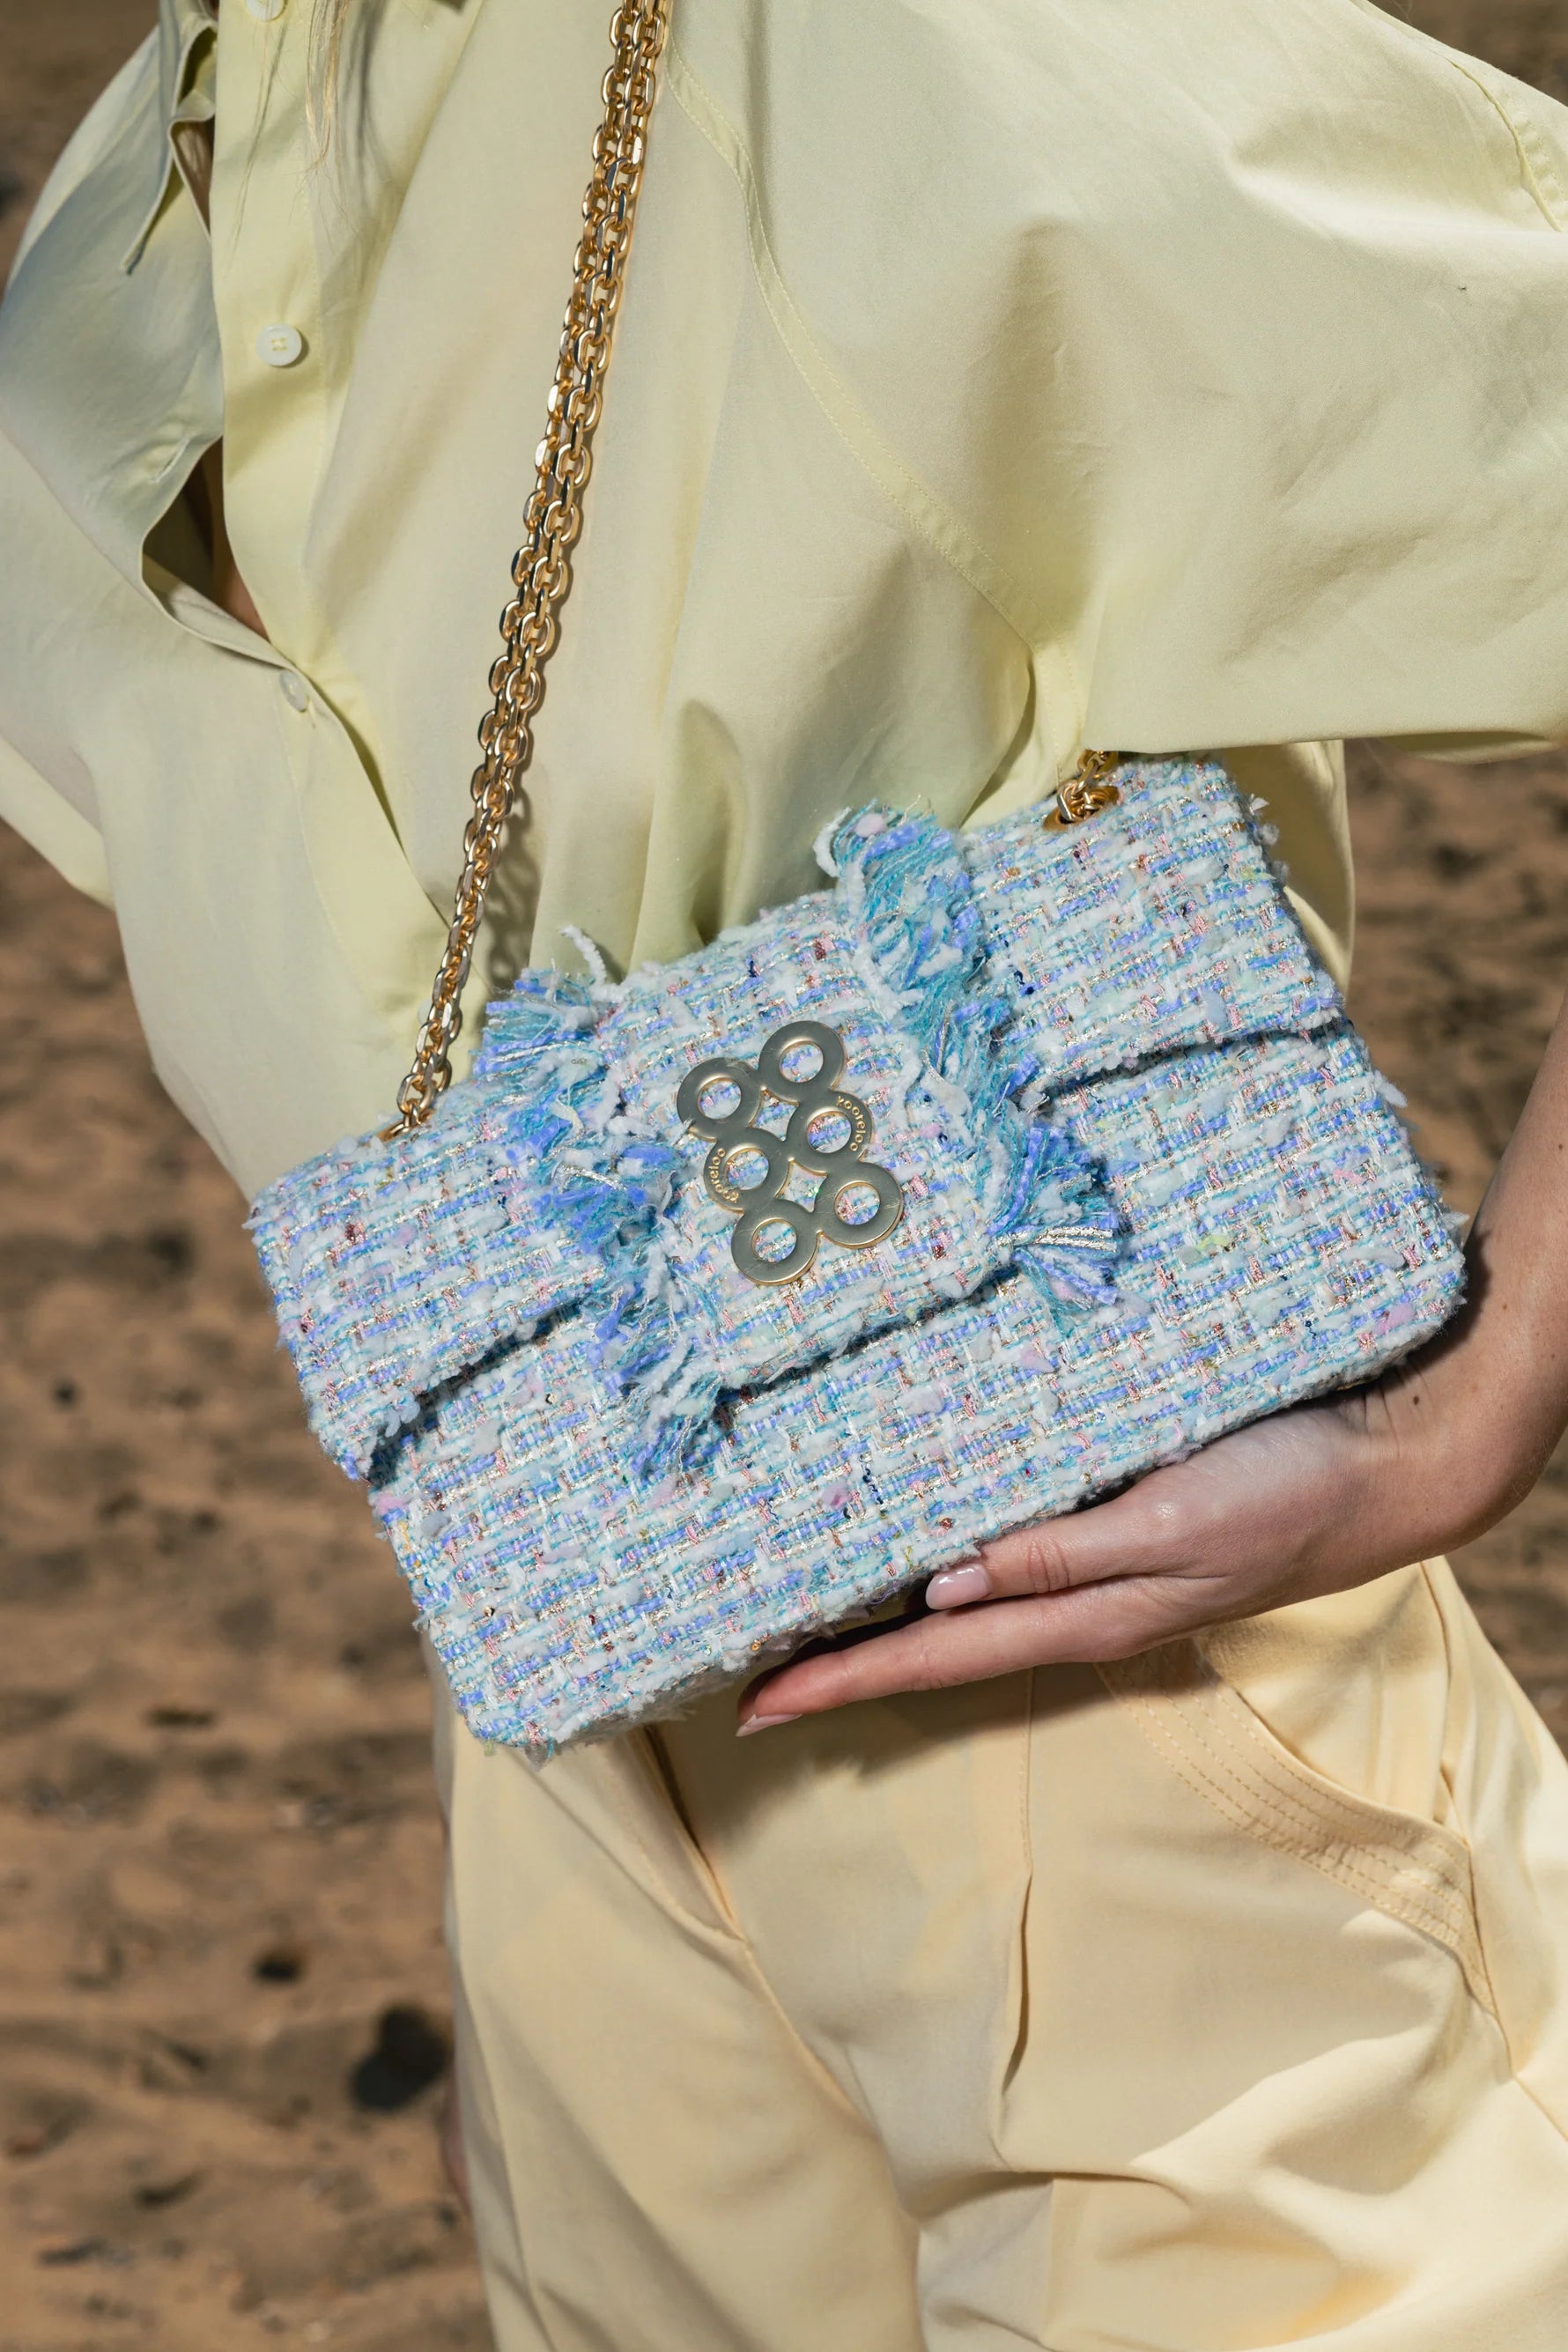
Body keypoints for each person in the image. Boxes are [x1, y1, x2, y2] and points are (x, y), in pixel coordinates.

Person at [5, 0, 1568, 2342]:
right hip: (576, 1679)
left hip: (1118, 1719)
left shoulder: (874, 39)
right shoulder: (179, 138)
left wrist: (1480, 1394)